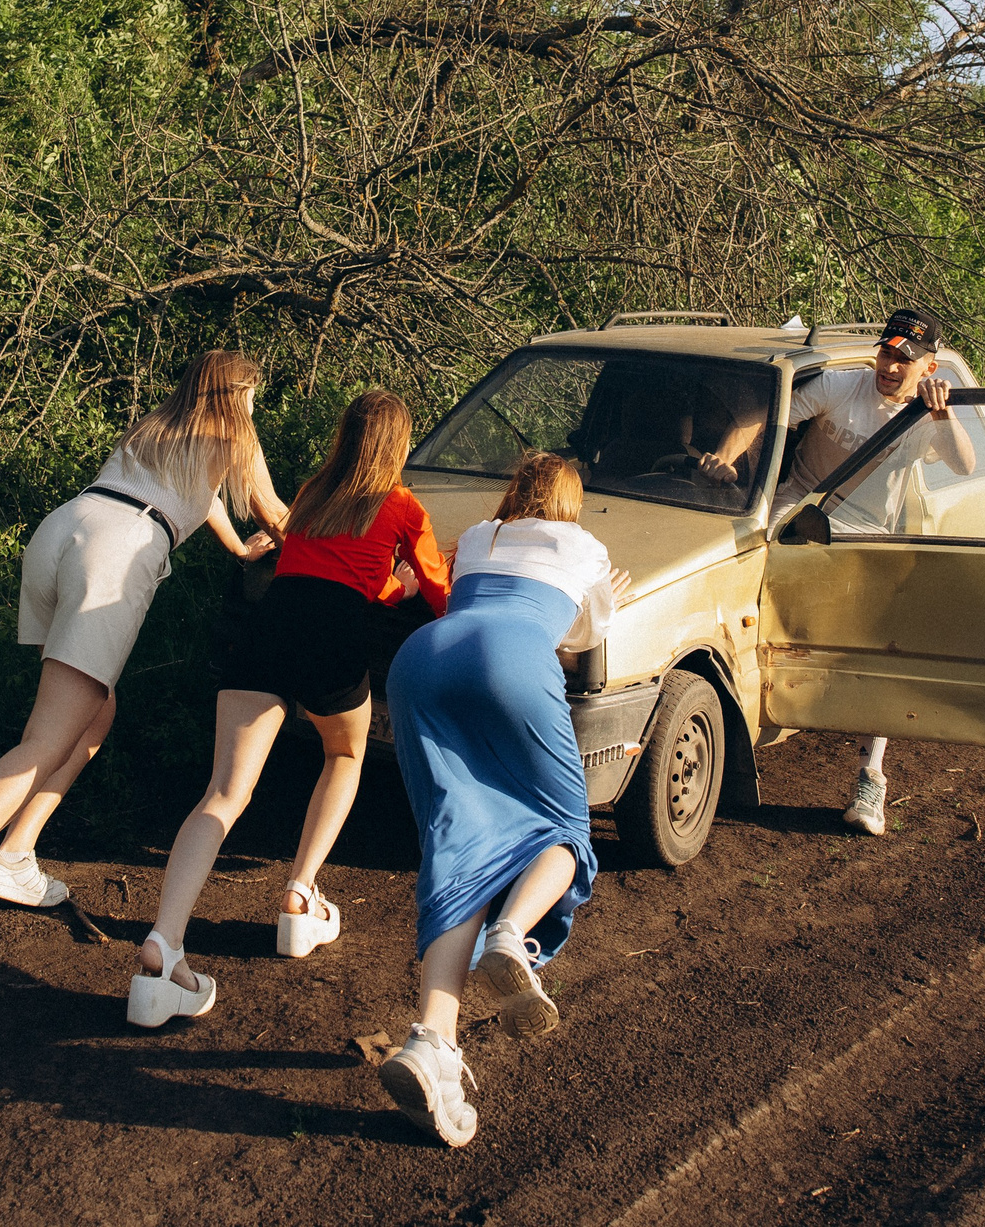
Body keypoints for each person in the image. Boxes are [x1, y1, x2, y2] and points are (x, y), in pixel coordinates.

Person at [0, 350, 285, 967]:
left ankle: (15, 856)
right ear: (241, 393)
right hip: (118, 550)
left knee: (94, 713)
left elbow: (197, 496)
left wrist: (236, 551)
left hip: (65, 531)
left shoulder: (158, 424)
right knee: (47, 737)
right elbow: (276, 512)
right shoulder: (235, 432)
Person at [127, 390, 452, 1027]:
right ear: (398, 445)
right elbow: (438, 597)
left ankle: (164, 944)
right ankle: (299, 899)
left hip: (270, 624)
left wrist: (390, 585)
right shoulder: (404, 505)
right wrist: (419, 584)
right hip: (333, 636)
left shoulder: (312, 491)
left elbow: (326, 564)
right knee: (346, 751)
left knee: (223, 793)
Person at [377, 452, 630, 1147]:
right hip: (512, 658)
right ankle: (512, 933)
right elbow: (584, 640)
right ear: (570, 500)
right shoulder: (585, 545)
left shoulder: (480, 537)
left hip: (423, 661)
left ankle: (432, 1039)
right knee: (565, 826)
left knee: (457, 848)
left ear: (515, 492)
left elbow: (465, 595)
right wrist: (610, 596)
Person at [776, 308, 976, 838]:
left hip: (867, 532)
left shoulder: (926, 414)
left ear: (929, 367)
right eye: (887, 352)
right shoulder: (842, 385)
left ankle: (871, 776)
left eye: (906, 359)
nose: (891, 367)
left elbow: (965, 465)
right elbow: (776, 419)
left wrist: (941, 415)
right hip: (797, 508)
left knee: (875, 644)